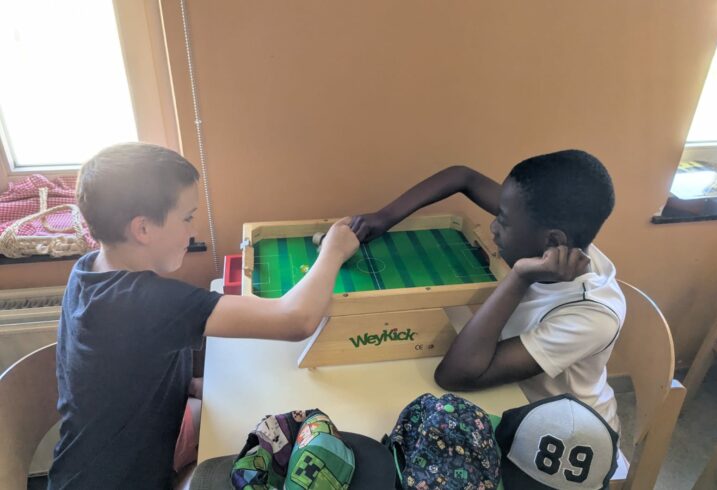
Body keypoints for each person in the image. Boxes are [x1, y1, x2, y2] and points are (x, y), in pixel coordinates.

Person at [48, 143, 359, 489]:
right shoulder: (148, 302)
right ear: (143, 229)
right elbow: (296, 319)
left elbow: (121, 368)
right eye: (186, 218)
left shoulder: (89, 270)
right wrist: (333, 251)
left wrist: (192, 384)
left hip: (84, 470)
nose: (192, 229)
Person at [350, 150, 625, 432]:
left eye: (503, 221)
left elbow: (454, 375)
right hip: (512, 399)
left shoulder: (592, 317)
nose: (493, 227)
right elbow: (463, 176)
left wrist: (519, 277)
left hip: (566, 434)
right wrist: (384, 217)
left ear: (553, 240)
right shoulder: (546, 228)